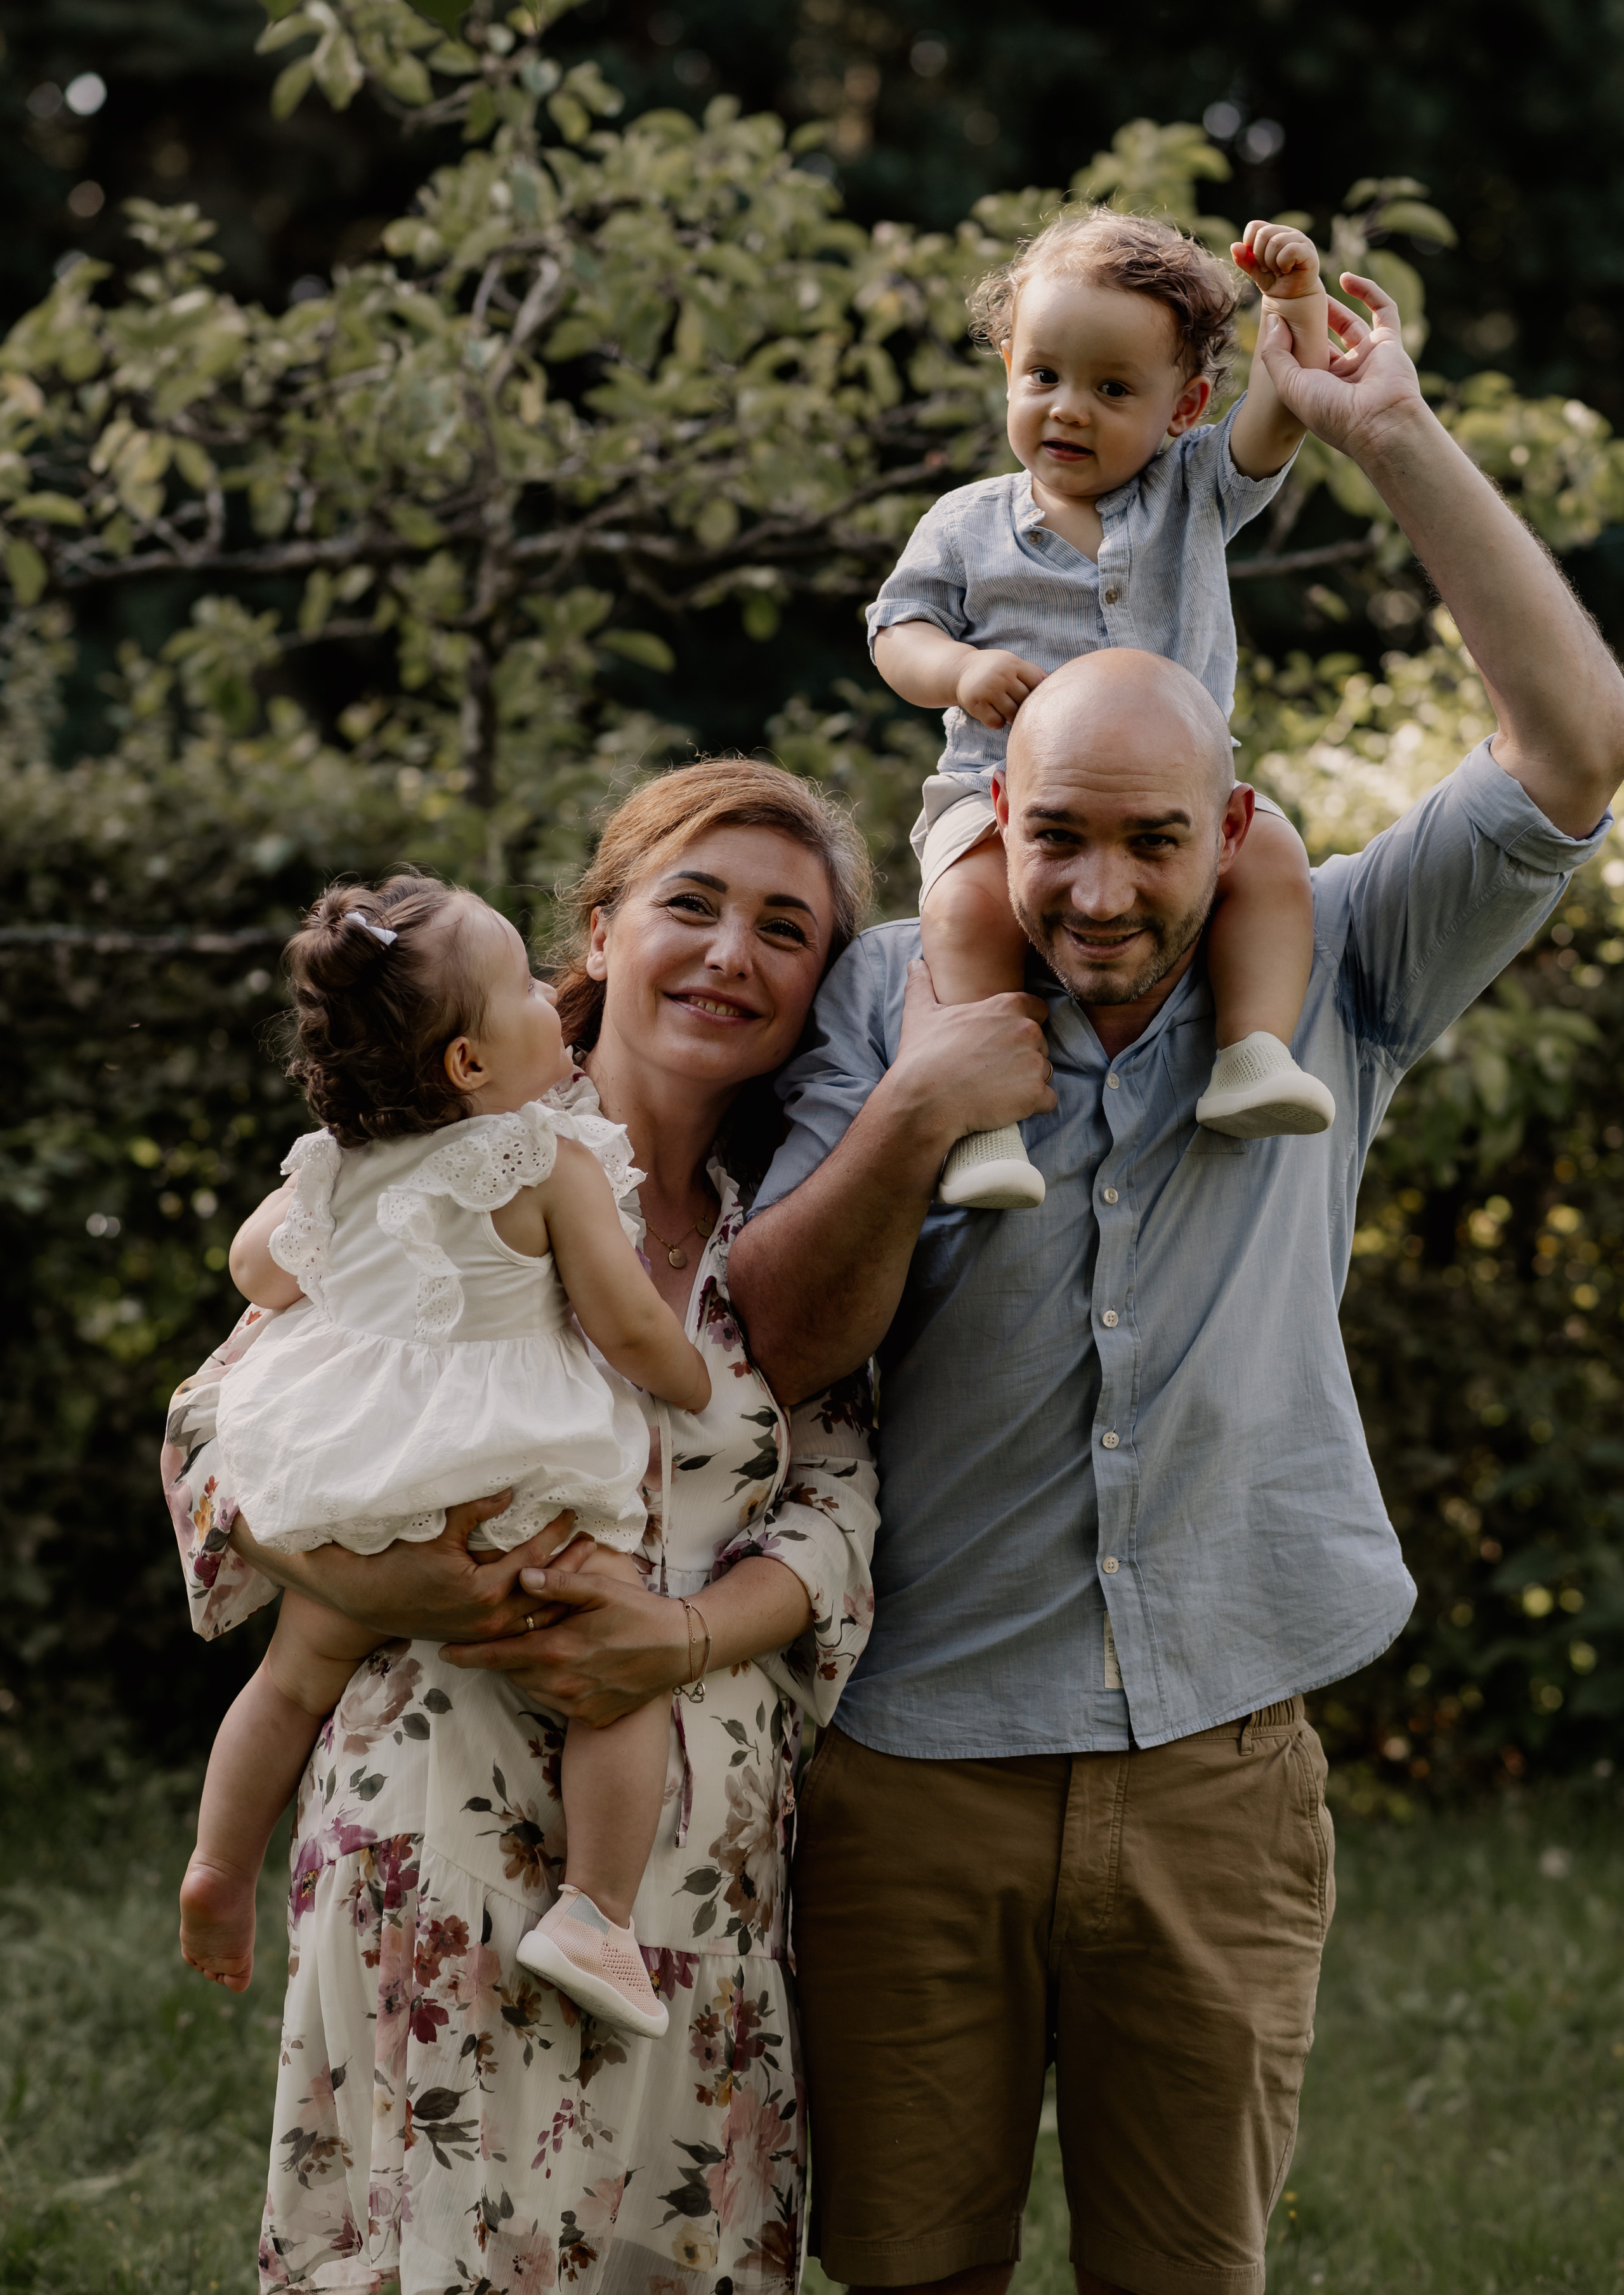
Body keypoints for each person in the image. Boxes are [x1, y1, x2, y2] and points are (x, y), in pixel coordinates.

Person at [726, 273, 1624, 2295]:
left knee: (1185, 2277)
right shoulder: (881, 1008)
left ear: (1231, 835)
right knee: (900, 2272)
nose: (1102, 896)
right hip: (909, 1775)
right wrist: (913, 1114)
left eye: (1151, 845)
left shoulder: (1335, 986)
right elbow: (777, 1344)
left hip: (1219, 1766)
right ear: (993, 825)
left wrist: (1388, 431)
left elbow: (1574, 750)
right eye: (1056, 843)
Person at [160, 763, 880, 2295]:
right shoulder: (444, 1139)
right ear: (601, 930)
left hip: (689, 1872)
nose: (728, 953)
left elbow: (841, 1498)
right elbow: (221, 1427)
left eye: (785, 928)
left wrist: (678, 1634)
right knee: (436, 2247)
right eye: (690, 903)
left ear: (820, 983)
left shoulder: (806, 1215)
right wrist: (393, 1571)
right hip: (436, 1807)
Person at [180, 872, 713, 2037]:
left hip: (360, 1484)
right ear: (469, 1066)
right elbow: (624, 1323)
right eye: (526, 981)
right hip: (510, 1479)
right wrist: (689, 1383)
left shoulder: (334, 1166)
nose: (546, 993)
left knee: (288, 1681)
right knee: (616, 1678)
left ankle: (221, 1861)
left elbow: (256, 1273)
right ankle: (598, 1912)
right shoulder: (543, 1158)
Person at [871, 207, 1335, 1208]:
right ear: (1008, 367)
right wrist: (956, 671)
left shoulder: (1196, 489)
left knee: (1274, 860)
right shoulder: (967, 523)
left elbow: (1283, 414)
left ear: (1184, 404)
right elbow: (893, 633)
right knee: (962, 902)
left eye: (1112, 388)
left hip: (1181, 806)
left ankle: (1253, 1054)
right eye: (1044, 377)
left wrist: (1295, 302)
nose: (1068, 410)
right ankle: (986, 1121)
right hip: (998, 795)